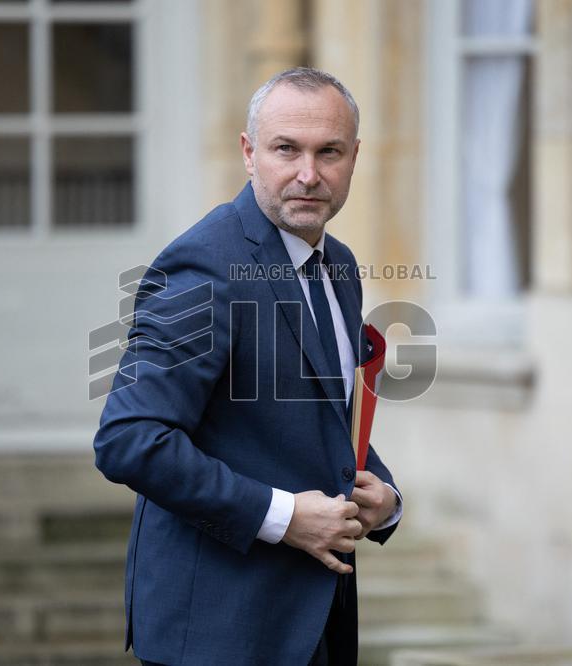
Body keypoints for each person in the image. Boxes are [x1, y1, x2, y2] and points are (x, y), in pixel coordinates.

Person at [93, 67, 403, 666]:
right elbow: (128, 439)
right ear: (248, 152)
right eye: (286, 149)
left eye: (328, 152)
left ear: (354, 158)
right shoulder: (204, 266)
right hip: (218, 633)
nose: (308, 174)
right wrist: (284, 517)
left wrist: (385, 498)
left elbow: (322, 416)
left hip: (316, 622)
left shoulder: (336, 263)